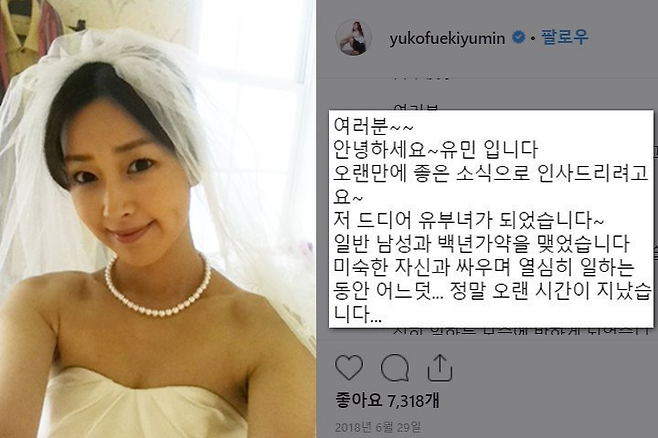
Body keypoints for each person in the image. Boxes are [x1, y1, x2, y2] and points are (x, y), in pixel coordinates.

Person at [0, 28, 315, 437]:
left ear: (191, 160)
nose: (114, 208)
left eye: (139, 165)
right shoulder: (42, 308)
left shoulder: (269, 336)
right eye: (85, 176)